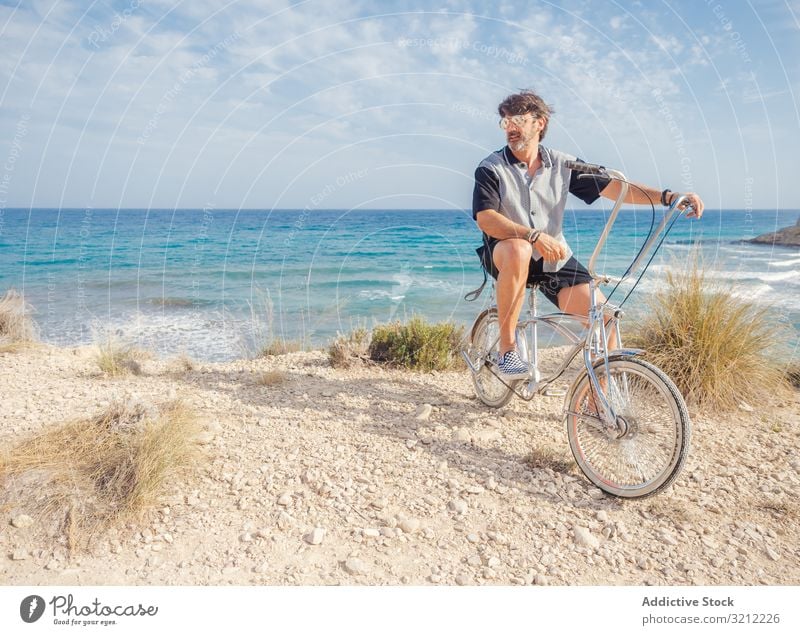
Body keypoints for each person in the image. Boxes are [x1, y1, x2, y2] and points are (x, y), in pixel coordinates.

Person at [472, 89, 704, 379]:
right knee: (518, 249)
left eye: (517, 120)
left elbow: (617, 188)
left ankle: (600, 409)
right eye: (505, 122)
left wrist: (669, 196)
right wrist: (532, 235)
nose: (510, 128)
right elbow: (486, 218)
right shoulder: (491, 168)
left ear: (539, 123)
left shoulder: (563, 164)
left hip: (552, 258)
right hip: (505, 254)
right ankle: (507, 350)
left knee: (605, 320)